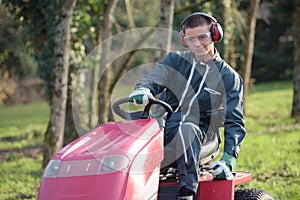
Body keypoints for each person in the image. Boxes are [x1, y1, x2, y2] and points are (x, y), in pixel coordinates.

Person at [129, 12, 246, 200]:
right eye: (191, 39)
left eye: (203, 37)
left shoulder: (229, 78)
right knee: (128, 126)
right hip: (167, 127)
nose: (197, 44)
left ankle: (186, 193)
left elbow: (235, 122)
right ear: (184, 40)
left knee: (187, 129)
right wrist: (143, 88)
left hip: (202, 134)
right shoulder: (175, 60)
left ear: (215, 35)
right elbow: (155, 78)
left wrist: (229, 158)